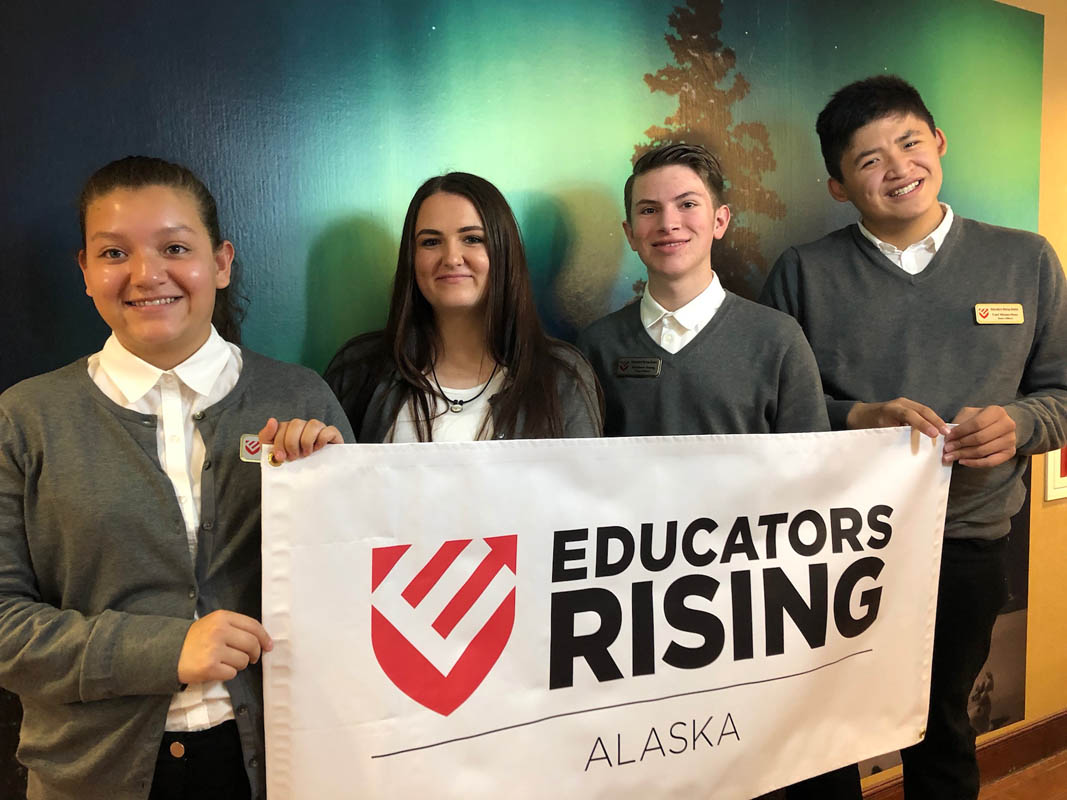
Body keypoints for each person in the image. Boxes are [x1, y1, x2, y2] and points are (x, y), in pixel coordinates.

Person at [0, 156, 353, 800]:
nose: (145, 274)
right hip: (90, 775)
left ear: (220, 263)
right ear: (85, 272)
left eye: (174, 247)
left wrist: (334, 495)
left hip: (280, 766)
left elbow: (361, 599)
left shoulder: (302, 398)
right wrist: (167, 650)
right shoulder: (25, 418)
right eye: (114, 252)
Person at [760, 75, 1067, 800]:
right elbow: (771, 418)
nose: (896, 168)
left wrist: (1020, 425)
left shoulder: (1025, 259)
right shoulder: (802, 273)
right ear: (837, 185)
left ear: (938, 143)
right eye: (867, 160)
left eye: (907, 142)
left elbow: (1060, 393)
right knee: (820, 731)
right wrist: (854, 417)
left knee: (942, 727)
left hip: (966, 541)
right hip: (830, 550)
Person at [299, 171, 601, 453]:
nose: (452, 258)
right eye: (431, 242)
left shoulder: (562, 376)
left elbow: (585, 498)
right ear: (411, 258)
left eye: (472, 239)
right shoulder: (357, 370)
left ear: (503, 251)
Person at [575, 143, 828, 437]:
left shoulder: (779, 339)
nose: (668, 223)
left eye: (687, 204)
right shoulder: (596, 345)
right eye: (648, 210)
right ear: (630, 234)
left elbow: (810, 469)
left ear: (719, 221)